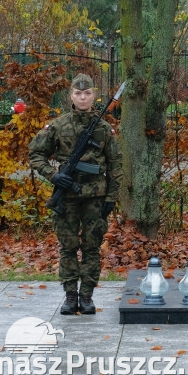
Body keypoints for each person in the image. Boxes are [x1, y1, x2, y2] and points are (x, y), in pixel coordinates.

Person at [29, 74, 121, 316]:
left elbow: (116, 166)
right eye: (78, 93)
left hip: (95, 198)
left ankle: (87, 296)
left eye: (87, 93)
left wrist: (110, 199)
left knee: (91, 247)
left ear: (93, 95)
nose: (83, 97)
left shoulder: (103, 129)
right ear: (71, 96)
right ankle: (71, 296)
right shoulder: (58, 126)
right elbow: (36, 154)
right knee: (68, 247)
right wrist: (53, 176)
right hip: (66, 197)